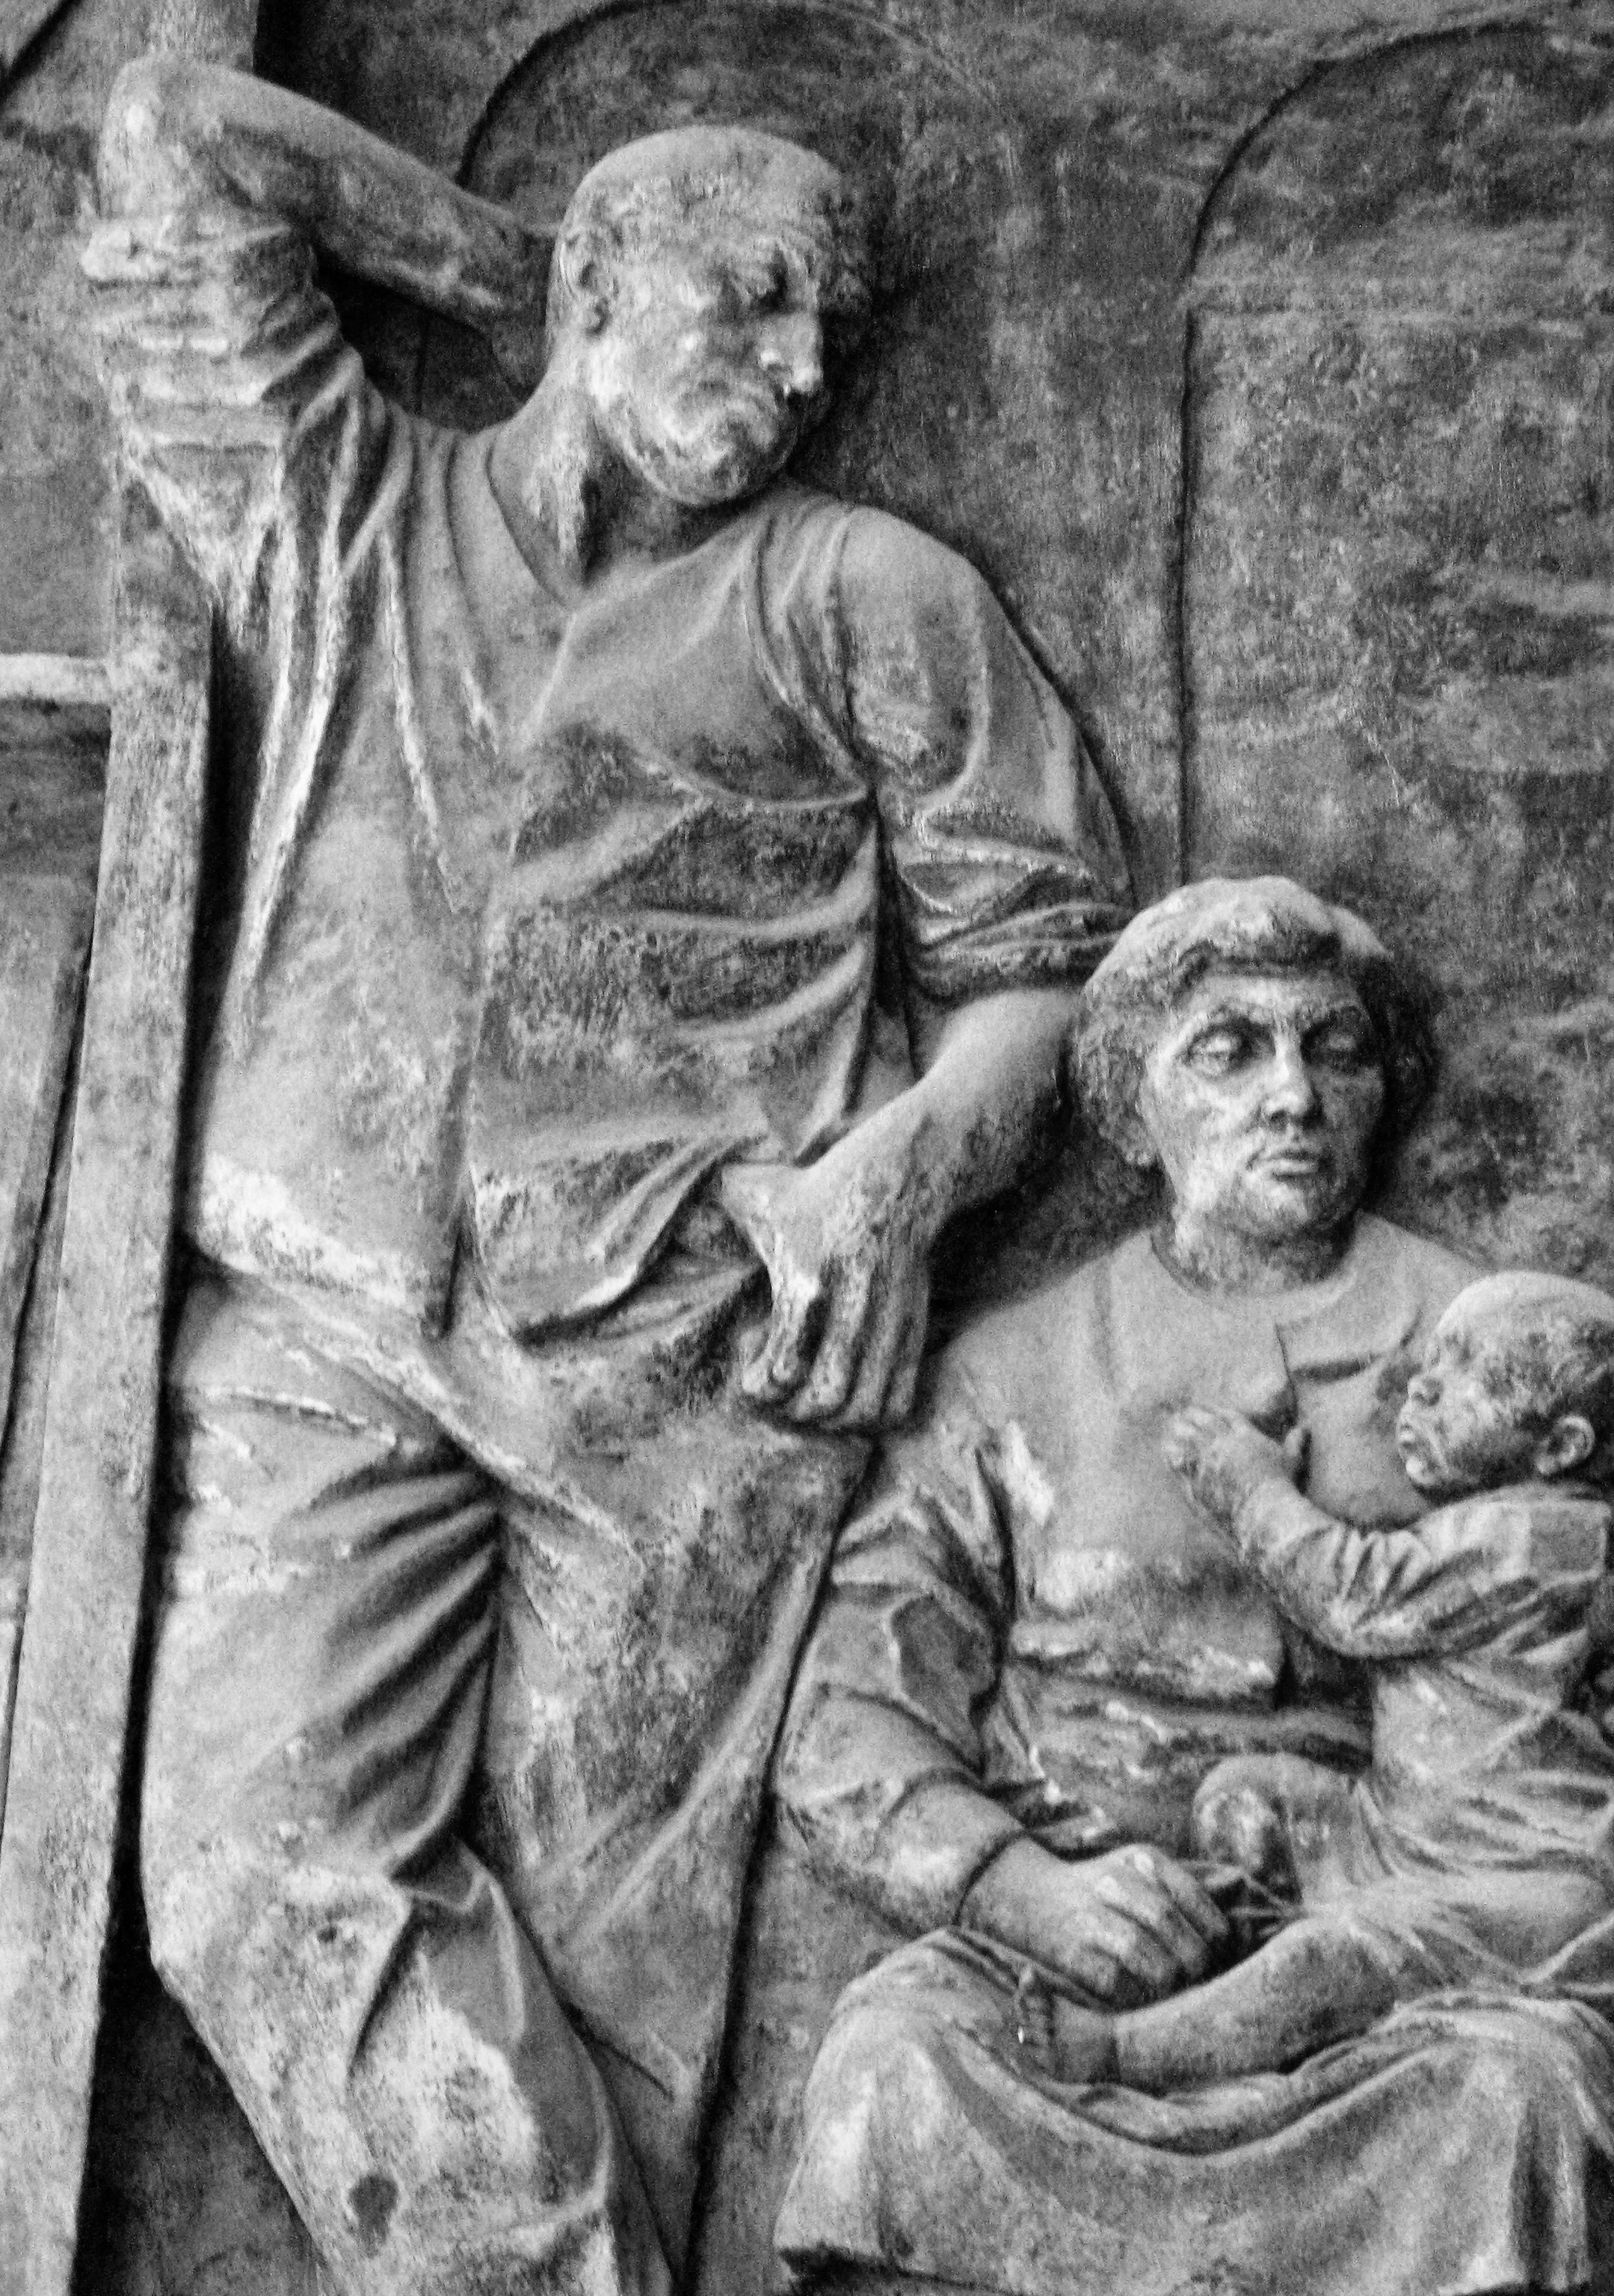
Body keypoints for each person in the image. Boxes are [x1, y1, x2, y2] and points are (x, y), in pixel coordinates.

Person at [85, 57, 1130, 2296]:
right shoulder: (336, 500)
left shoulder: (868, 590)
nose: (803, 365)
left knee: (611, 1996)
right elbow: (170, 133)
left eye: (833, 326)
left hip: (684, 1379)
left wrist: (896, 1176)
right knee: (253, 1871)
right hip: (325, 1323)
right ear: (595, 281)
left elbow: (1046, 968)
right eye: (753, 297)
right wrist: (509, 275)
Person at [775, 877, 1614, 2296]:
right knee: (893, 2069)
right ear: (1133, 1109)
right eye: (1229, 1050)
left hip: (1405, 1970)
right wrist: (1020, 1889)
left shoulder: (1488, 1350)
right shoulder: (1007, 1375)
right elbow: (844, 1725)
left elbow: (1600, 1614)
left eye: (1336, 1049)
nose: (1292, 1096)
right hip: (1075, 1969)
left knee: (1526, 2105)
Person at [1017, 1269, 1614, 2094]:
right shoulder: (1525, 1535)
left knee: (1335, 1955)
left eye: (1469, 1371)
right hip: (1401, 1835)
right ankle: (1253, 1997)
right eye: (1433, 1359)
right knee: (1245, 1802)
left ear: (1561, 1448)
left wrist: (1252, 1488)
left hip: (1520, 1890)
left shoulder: (1531, 1542)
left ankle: (1120, 2052)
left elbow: (1352, 1597)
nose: (1424, 1386)